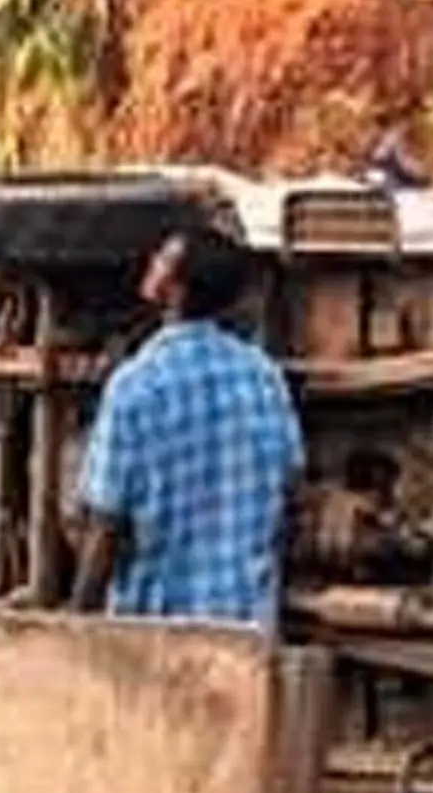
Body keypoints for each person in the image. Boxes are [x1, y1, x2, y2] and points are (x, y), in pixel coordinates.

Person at [68, 221, 304, 630]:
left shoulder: (135, 386)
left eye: (161, 259)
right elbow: (289, 492)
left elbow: (105, 529)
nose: (151, 264)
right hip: (245, 635)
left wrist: (75, 627)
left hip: (156, 636)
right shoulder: (264, 375)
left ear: (175, 290)